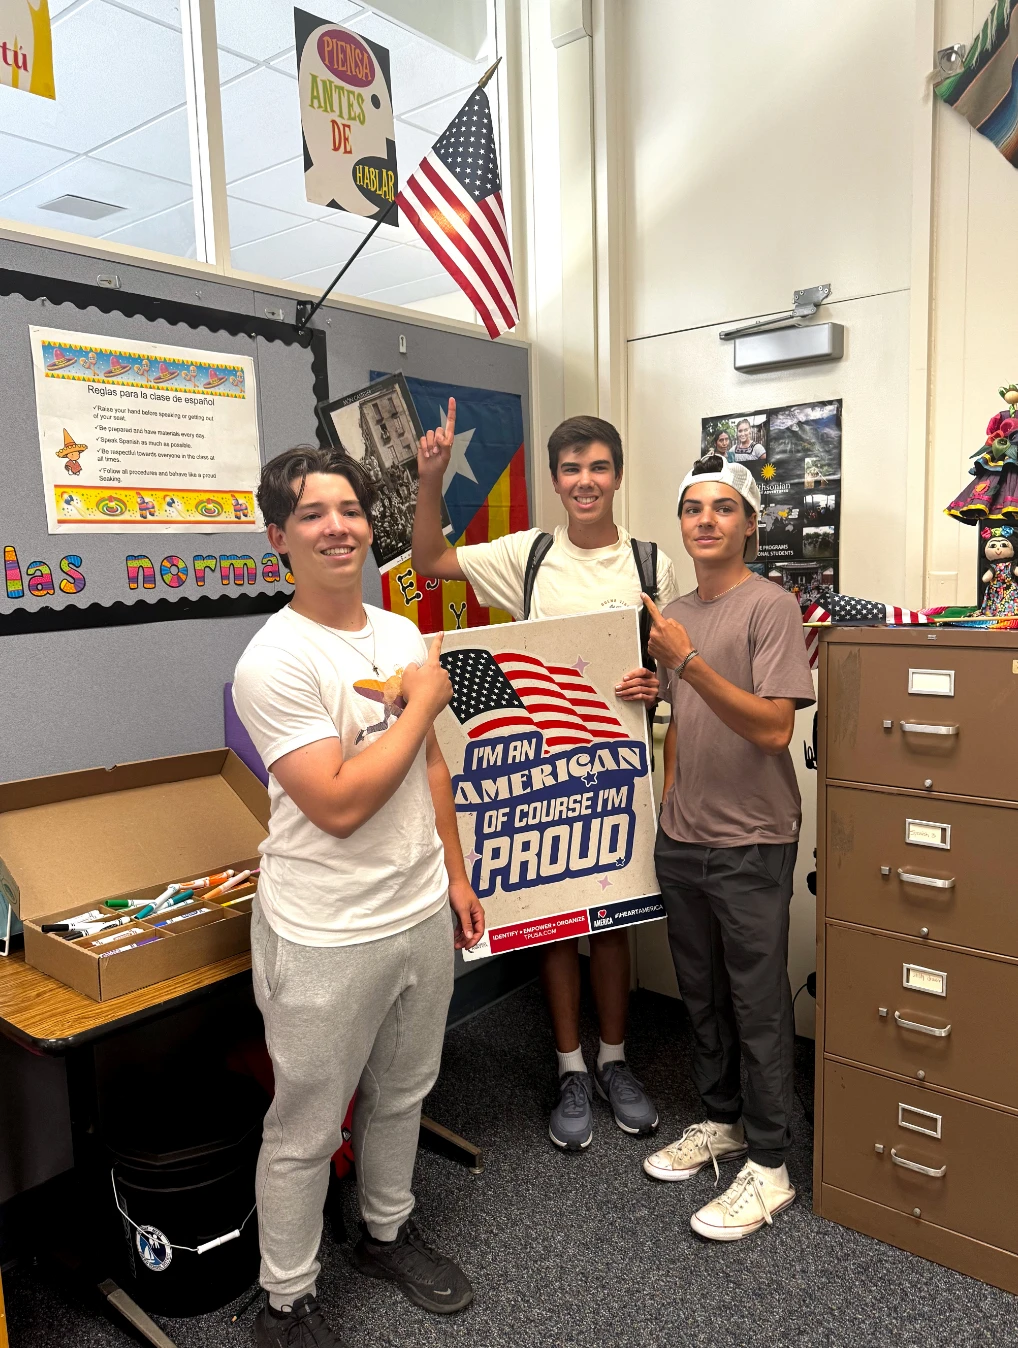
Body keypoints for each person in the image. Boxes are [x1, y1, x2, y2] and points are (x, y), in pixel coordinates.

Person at [232, 445, 484, 1348]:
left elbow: (430, 768)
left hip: (416, 910)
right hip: (324, 933)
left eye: (349, 509)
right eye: (312, 513)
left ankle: (384, 1232)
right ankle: (287, 1300)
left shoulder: (400, 633)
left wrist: (454, 874)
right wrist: (421, 704)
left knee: (403, 1092)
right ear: (279, 537)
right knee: (305, 1128)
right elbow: (337, 805)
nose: (337, 527)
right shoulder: (273, 660)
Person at [412, 406, 677, 1152]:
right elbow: (429, 558)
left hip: (617, 769)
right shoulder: (528, 554)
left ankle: (615, 1060)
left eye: (598, 467)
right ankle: (570, 1068)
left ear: (617, 476)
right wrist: (431, 479)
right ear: (556, 482)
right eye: (571, 469)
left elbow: (676, 663)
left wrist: (658, 686)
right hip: (545, 770)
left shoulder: (652, 564)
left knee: (616, 919)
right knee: (558, 922)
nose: (585, 481)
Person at [639, 453, 815, 1241]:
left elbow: (773, 728)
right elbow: (687, 715)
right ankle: (723, 1122)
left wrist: (686, 662)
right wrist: (662, 685)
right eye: (692, 508)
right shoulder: (674, 613)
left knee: (758, 1004)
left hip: (751, 841)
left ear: (749, 524)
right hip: (683, 836)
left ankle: (772, 1165)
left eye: (722, 508)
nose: (704, 520)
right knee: (701, 995)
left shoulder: (771, 607)